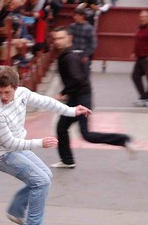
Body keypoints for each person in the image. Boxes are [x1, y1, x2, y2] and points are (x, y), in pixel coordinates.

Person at [0, 67, 92, 225]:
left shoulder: (23, 93)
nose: (3, 97)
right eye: (0, 92)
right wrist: (40, 143)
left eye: (7, 92)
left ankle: (16, 210)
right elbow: (9, 143)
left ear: (16, 88)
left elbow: (45, 102)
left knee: (46, 176)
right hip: (2, 155)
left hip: (17, 148)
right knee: (40, 181)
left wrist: (71, 110)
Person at [51, 27, 134, 168]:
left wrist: (62, 93)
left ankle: (123, 139)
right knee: (61, 127)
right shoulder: (71, 54)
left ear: (69, 38)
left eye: (61, 38)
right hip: (77, 98)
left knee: (86, 135)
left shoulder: (69, 57)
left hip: (81, 100)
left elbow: (77, 80)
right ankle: (67, 161)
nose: (57, 41)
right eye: (55, 39)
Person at [68, 4, 97, 74]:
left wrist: (86, 54)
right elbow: (68, 39)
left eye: (76, 15)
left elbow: (92, 43)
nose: (74, 17)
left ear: (82, 16)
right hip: (73, 53)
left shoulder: (89, 28)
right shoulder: (72, 26)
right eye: (74, 15)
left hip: (83, 53)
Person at [131, 10, 148, 107]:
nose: (142, 18)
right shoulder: (140, 27)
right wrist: (134, 52)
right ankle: (144, 97)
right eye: (141, 17)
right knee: (135, 76)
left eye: (144, 16)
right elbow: (138, 41)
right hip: (140, 57)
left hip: (146, 57)